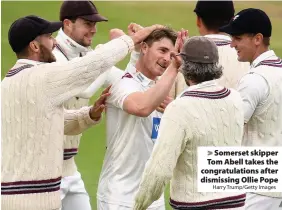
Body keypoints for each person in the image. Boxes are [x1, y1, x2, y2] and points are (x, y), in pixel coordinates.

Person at [1, 14, 161, 210]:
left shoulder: (8, 82)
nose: (53, 43)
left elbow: (49, 121)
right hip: (34, 200)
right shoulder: (43, 77)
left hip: (13, 196)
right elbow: (90, 65)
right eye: (49, 37)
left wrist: (89, 114)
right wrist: (132, 41)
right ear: (35, 46)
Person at [134, 36, 246, 210]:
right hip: (237, 203)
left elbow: (159, 171)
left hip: (197, 205)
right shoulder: (236, 98)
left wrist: (139, 206)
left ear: (184, 66)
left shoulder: (180, 107)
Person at [52, 2, 139, 209]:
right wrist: (109, 53)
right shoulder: (52, 56)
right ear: (67, 24)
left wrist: (136, 55)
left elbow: (127, 82)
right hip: (42, 171)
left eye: (95, 24)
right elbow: (81, 88)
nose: (93, 29)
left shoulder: (90, 56)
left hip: (69, 169)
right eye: (87, 23)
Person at [97, 27, 183, 210]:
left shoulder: (161, 90)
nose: (167, 59)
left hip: (152, 198)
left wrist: (174, 109)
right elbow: (141, 107)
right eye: (162, 50)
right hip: (119, 197)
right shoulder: (124, 82)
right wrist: (175, 68)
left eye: (172, 54)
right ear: (144, 48)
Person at [219, 8, 282, 210]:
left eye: (237, 38)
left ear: (257, 39)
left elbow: (228, 129)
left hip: (257, 186)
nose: (232, 44)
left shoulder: (254, 79)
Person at [169, 0, 250, 99]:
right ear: (232, 20)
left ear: (198, 21)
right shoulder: (248, 58)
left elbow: (163, 103)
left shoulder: (180, 57)